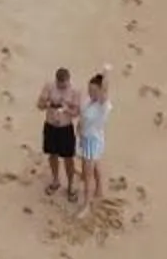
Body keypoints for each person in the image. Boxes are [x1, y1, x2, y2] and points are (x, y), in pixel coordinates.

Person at [37, 67, 81, 200]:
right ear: (56, 80)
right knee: (52, 155)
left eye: (64, 84)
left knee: (68, 158)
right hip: (50, 126)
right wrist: (48, 104)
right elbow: (39, 105)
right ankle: (55, 180)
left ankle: (71, 184)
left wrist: (66, 109)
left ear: (68, 80)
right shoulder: (49, 87)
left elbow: (76, 113)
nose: (62, 86)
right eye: (59, 84)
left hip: (65, 128)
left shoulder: (74, 91)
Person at [77, 68, 114, 211]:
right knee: (96, 165)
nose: (90, 93)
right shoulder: (89, 101)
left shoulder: (103, 106)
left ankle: (86, 204)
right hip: (85, 138)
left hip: (92, 141)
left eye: (93, 90)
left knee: (88, 174)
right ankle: (99, 189)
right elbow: (82, 117)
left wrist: (106, 73)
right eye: (89, 89)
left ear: (100, 91)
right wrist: (79, 132)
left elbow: (105, 89)